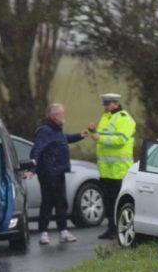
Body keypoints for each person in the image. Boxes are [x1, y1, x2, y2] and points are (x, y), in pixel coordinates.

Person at [30, 103, 86, 245]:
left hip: (59, 172)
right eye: (62, 114)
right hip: (48, 174)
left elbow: (63, 139)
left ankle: (63, 232)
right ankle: (43, 233)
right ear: (54, 116)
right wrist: (32, 168)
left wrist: (80, 135)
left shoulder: (56, 130)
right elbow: (37, 150)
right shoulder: (44, 131)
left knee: (61, 203)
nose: (64, 117)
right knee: (48, 203)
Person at [88, 92, 136, 240]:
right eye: (104, 104)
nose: (106, 107)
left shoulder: (125, 118)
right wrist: (92, 131)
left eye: (108, 104)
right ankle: (111, 229)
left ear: (116, 103)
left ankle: (120, 229)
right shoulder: (106, 117)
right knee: (108, 201)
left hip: (119, 170)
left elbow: (120, 140)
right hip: (106, 169)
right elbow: (102, 137)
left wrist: (99, 137)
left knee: (118, 202)